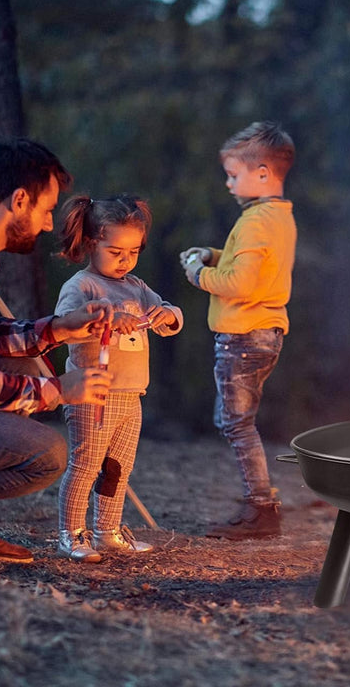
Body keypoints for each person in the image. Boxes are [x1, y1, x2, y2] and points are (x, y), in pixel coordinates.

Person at [0, 138, 114, 563]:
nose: (49, 225)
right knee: (47, 455)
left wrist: (59, 329)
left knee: (9, 365)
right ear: (20, 200)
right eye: (47, 211)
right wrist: (57, 389)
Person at [179, 121, 296, 540]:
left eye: (233, 174)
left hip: (244, 335)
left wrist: (197, 273)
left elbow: (238, 284)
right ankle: (260, 503)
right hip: (265, 333)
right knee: (235, 421)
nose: (228, 183)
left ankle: (261, 510)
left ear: (262, 172)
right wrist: (213, 254)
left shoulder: (254, 223)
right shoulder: (278, 217)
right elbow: (252, 265)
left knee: (236, 424)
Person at [54, 195, 183, 562]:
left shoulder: (137, 287)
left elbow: (173, 315)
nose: (125, 260)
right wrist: (105, 319)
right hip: (93, 393)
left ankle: (107, 530)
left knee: (117, 468)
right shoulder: (81, 287)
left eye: (134, 251)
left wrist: (166, 315)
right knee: (86, 464)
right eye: (116, 252)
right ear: (92, 243)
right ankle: (70, 533)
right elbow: (65, 328)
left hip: (131, 394)